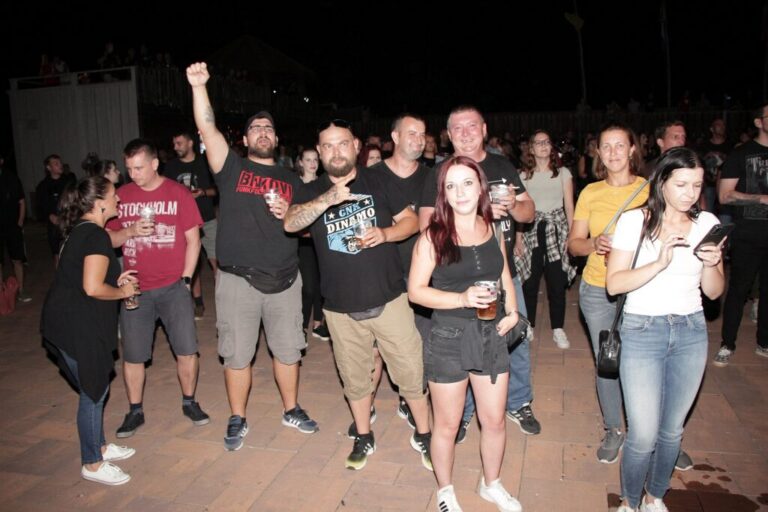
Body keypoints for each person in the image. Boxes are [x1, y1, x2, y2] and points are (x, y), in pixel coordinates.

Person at [284, 119, 432, 472]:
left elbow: (411, 221)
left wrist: (385, 233)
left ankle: (425, 434)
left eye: (342, 143)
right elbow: (290, 223)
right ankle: (364, 435)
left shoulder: (378, 179)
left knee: (411, 371)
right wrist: (328, 198)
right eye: (328, 146)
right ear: (319, 152)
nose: (336, 151)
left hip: (389, 297)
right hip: (339, 306)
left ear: (355, 147)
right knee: (354, 377)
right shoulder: (311, 190)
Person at [187, 62, 318, 452]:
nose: (263, 132)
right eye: (256, 128)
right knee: (237, 355)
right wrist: (199, 87)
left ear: (276, 139)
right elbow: (207, 127)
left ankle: (291, 408)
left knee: (288, 351)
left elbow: (308, 229)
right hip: (238, 280)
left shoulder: (293, 180)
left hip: (285, 280)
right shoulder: (231, 168)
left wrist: (291, 214)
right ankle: (238, 416)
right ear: (245, 139)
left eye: (269, 128)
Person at [606, 147, 725, 512]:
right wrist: (658, 263)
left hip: (690, 330)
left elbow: (714, 292)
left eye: (697, 185)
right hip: (643, 330)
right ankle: (629, 502)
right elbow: (614, 283)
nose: (690, 193)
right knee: (642, 434)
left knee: (672, 430)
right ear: (661, 182)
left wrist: (712, 263)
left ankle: (654, 496)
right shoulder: (635, 222)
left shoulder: (706, 224)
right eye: (682, 184)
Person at [419, 106, 538, 444]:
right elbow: (426, 223)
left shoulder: (502, 166)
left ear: (484, 129)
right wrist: (474, 214)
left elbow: (529, 213)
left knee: (515, 339)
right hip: (457, 278)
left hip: (501, 273)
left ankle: (519, 403)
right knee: (462, 350)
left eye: (472, 126)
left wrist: (511, 206)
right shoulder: (440, 173)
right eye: (457, 128)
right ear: (448, 135)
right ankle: (465, 413)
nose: (465, 133)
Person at [409, 156, 522, 512]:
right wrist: (461, 298)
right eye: (451, 185)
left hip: (490, 334)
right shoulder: (433, 236)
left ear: (481, 187)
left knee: (494, 420)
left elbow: (504, 274)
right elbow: (416, 292)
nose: (460, 192)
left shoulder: (492, 227)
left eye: (468, 183)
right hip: (449, 338)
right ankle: (445, 491)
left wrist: (513, 311)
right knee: (447, 424)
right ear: (443, 193)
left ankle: (492, 483)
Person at [106, 138, 210, 439]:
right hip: (135, 290)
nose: (133, 174)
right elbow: (107, 238)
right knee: (133, 354)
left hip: (173, 286)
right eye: (129, 168)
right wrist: (129, 231)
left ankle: (189, 401)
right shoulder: (122, 197)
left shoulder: (178, 194)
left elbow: (194, 241)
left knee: (187, 349)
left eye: (139, 167)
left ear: (154, 164)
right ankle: (135, 410)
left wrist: (186, 280)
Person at [41, 176, 139, 485]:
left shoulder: (82, 230)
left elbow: (85, 277)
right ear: (99, 204)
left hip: (66, 321)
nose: (118, 200)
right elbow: (92, 287)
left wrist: (115, 281)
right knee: (93, 392)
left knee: (95, 387)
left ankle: (100, 447)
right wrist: (122, 292)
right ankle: (92, 463)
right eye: (114, 196)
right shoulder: (95, 235)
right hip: (76, 326)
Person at [567, 122, 649, 464]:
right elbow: (573, 245)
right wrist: (593, 244)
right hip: (598, 289)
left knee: (643, 363)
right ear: (598, 153)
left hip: (640, 289)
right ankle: (614, 428)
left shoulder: (650, 190)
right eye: (606, 146)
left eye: (620, 145)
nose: (613, 152)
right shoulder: (590, 193)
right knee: (608, 360)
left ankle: (652, 432)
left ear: (632, 149)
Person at [713, 104, 768, 366]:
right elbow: (724, 195)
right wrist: (760, 198)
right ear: (758, 122)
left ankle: (764, 342)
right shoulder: (741, 154)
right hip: (748, 233)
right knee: (738, 289)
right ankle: (727, 343)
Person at [515, 130, 576, 349]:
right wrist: (518, 238)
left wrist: (573, 235)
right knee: (530, 282)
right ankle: (529, 324)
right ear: (531, 149)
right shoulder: (523, 176)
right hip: (531, 229)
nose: (543, 146)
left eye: (547, 142)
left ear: (551, 147)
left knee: (556, 282)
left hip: (556, 229)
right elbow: (520, 210)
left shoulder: (563, 173)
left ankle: (558, 328)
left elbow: (569, 206)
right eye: (538, 143)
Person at [164, 131, 219, 320]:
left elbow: (217, 190)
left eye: (179, 143)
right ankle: (198, 303)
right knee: (191, 264)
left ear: (189, 143)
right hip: (183, 222)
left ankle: (222, 300)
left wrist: (202, 192)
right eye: (174, 144)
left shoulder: (205, 163)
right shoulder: (171, 167)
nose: (175, 147)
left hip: (207, 219)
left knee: (217, 262)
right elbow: (166, 192)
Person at [295, 148, 329, 340]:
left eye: (315, 159)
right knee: (308, 286)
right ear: (300, 162)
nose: (312, 163)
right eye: (308, 160)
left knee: (321, 285)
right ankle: (300, 326)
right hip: (303, 242)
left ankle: (318, 323)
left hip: (322, 239)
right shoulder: (296, 185)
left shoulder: (324, 184)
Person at [36, 154, 76, 268]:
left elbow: (76, 201)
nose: (60, 165)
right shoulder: (43, 186)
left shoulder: (69, 182)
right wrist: (49, 216)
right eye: (56, 163)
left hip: (69, 221)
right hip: (54, 225)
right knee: (56, 253)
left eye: (60, 163)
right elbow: (40, 207)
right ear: (49, 168)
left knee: (73, 251)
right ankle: (60, 276)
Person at [0, 155, 31, 303]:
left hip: (12, 225)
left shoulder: (11, 178)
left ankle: (21, 290)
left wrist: (20, 222)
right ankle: (1, 294)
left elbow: (22, 201)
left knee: (17, 259)